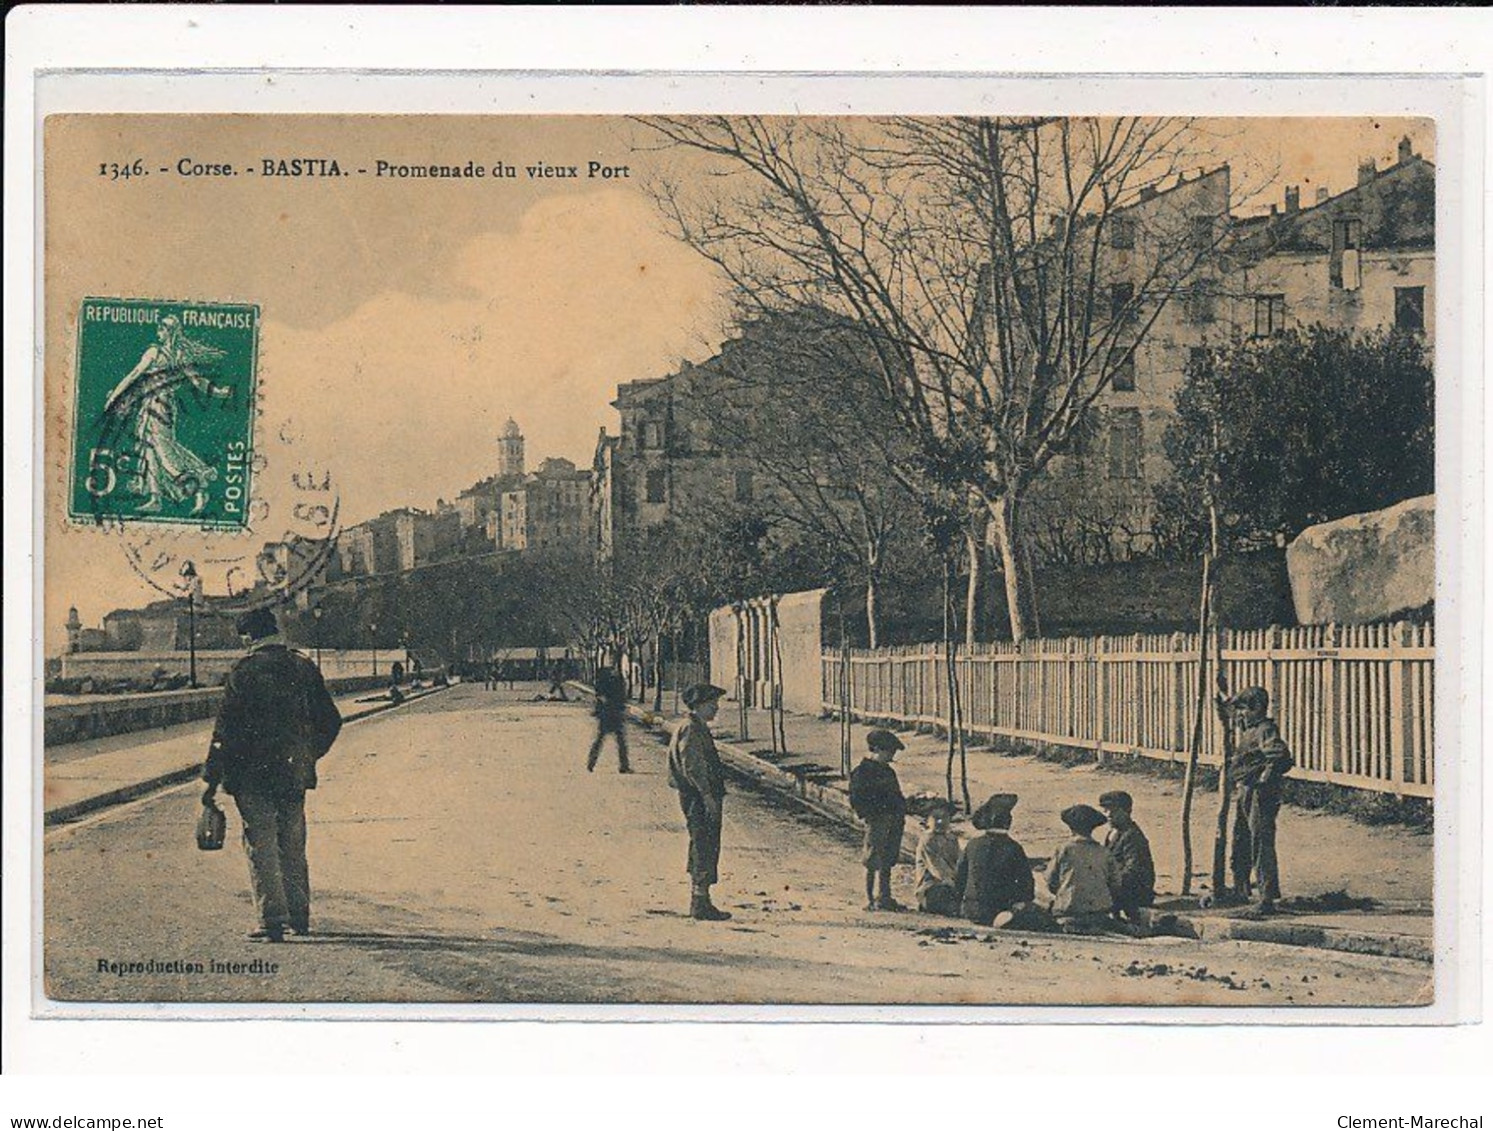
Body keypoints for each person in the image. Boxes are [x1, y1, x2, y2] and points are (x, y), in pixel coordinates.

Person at [200, 606, 342, 942]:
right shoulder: (303, 667)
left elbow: (225, 733)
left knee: (261, 844)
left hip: (252, 778)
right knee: (293, 843)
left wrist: (211, 780)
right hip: (293, 774)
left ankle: (271, 920)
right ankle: (299, 917)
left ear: (249, 636)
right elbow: (332, 721)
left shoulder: (244, 672)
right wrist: (308, 755)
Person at [102, 314, 233, 516]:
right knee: (150, 450)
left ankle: (198, 489)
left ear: (169, 331)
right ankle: (155, 499)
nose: (158, 333)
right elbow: (199, 382)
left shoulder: (156, 352)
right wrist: (219, 392)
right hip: (155, 405)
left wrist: (114, 397)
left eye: (162, 329)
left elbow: (134, 375)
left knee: (165, 454)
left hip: (159, 408)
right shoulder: (179, 355)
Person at [1228, 686, 1295, 912]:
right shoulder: (1250, 729)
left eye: (1243, 710)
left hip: (1259, 793)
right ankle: (1241, 888)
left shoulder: (1265, 730)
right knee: (1241, 838)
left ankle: (1267, 896)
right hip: (1246, 790)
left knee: (1260, 841)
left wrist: (1265, 777)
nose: (1239, 715)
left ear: (1257, 709)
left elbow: (1280, 755)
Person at [667, 683, 731, 921]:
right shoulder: (692, 729)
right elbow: (692, 766)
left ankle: (701, 899)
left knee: (705, 843)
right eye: (712, 704)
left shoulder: (695, 726)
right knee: (704, 844)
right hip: (698, 796)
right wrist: (707, 796)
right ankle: (699, 902)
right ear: (699, 705)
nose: (716, 708)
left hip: (699, 795)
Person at [953, 793, 1039, 927]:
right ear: (1009, 822)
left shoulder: (972, 844)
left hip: (971, 910)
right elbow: (1026, 884)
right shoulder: (1013, 847)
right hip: (1000, 910)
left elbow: (959, 877)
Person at [848, 728, 908, 912]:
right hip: (878, 820)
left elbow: (896, 795)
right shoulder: (862, 772)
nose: (891, 757)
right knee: (873, 859)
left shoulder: (888, 772)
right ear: (876, 750)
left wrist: (905, 806)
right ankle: (870, 898)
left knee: (889, 857)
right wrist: (869, 815)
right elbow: (856, 798)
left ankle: (884, 896)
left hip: (894, 820)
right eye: (888, 752)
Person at [1045, 804, 1121, 933]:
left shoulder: (1064, 849)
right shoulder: (1104, 852)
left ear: (1071, 828)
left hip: (1069, 913)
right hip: (1099, 915)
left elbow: (1051, 882)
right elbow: (1115, 884)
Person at [1099, 790, 1156, 922]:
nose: (1109, 815)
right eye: (1105, 810)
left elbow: (1133, 871)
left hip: (1135, 892)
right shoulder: (1113, 833)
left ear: (1127, 811)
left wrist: (1107, 884)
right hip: (1119, 886)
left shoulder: (1132, 836)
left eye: (1114, 810)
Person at [913, 800, 962, 916]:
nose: (941, 821)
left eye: (945, 817)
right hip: (931, 886)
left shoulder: (952, 839)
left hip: (950, 884)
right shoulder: (927, 840)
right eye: (936, 818)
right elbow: (938, 870)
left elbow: (959, 862)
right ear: (928, 821)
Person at [587, 663, 631, 773]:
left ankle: (591, 763)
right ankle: (623, 766)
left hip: (606, 714)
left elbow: (599, 695)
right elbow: (620, 697)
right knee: (620, 741)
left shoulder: (603, 680)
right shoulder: (616, 680)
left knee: (601, 739)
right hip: (613, 713)